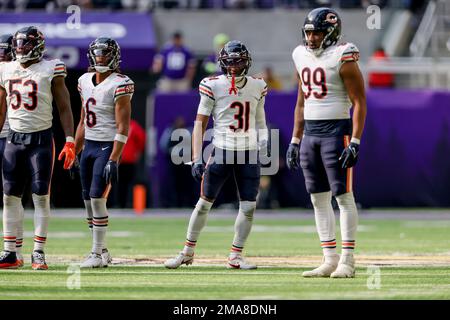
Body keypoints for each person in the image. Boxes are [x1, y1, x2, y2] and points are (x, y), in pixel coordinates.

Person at [164, 40, 268, 270]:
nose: (233, 67)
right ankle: (187, 252)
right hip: (221, 149)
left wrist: (264, 143)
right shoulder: (212, 84)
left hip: (249, 152)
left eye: (238, 62)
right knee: (203, 203)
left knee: (248, 206)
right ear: (222, 63)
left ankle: (236, 255)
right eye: (229, 62)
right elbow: (200, 122)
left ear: (246, 62)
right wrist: (196, 156)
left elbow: (260, 119)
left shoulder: (258, 85)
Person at [286, 8, 367, 278]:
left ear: (330, 32)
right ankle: (329, 258)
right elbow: (301, 100)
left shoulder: (343, 55)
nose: (311, 38)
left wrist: (354, 140)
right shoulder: (300, 54)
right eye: (308, 32)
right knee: (318, 198)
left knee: (343, 197)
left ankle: (348, 260)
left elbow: (359, 102)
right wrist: (295, 139)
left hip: (336, 131)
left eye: (317, 32)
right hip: (310, 133)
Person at [0, 26, 75, 270]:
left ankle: (38, 252)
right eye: (19, 44)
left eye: (26, 44)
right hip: (14, 139)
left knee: (41, 197)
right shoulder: (5, 69)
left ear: (38, 46)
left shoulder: (51, 67)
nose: (21, 48)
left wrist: (70, 140)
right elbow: (1, 108)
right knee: (9, 196)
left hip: (41, 140)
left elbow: (64, 106)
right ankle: (11, 252)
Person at [74, 37, 133, 268]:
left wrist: (114, 158)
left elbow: (123, 126)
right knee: (88, 200)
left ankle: (96, 254)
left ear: (114, 57)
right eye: (97, 54)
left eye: (105, 54)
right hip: (88, 145)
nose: (100, 58)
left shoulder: (121, 82)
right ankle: (103, 250)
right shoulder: (84, 80)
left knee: (98, 198)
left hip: (106, 146)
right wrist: (74, 150)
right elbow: (82, 121)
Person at [0, 34, 26, 268]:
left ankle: (15, 249)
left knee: (12, 195)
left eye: (5, 51)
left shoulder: (15, 71)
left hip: (11, 137)